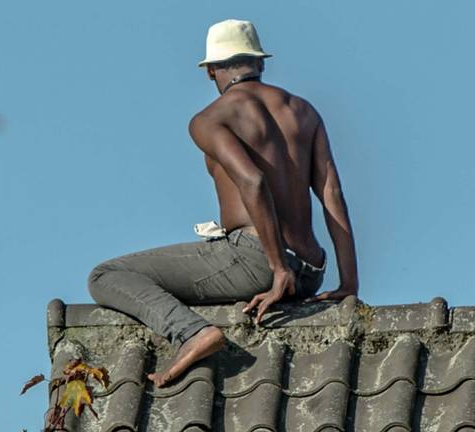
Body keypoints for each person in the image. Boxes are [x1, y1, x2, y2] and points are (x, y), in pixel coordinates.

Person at [86, 19, 359, 388]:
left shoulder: (210, 119)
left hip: (258, 260)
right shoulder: (304, 111)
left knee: (105, 276)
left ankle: (191, 334)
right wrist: (348, 281)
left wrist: (278, 269)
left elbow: (253, 180)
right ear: (259, 63)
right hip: (311, 271)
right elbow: (332, 193)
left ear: (211, 70)